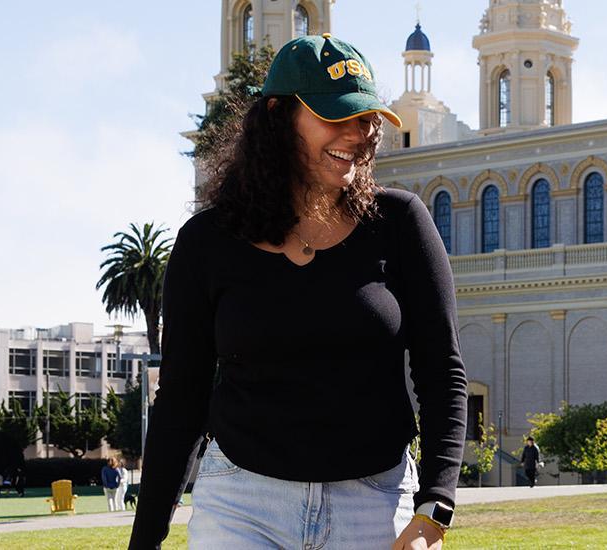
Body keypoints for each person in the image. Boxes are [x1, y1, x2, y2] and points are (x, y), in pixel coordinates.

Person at [128, 33, 468, 550]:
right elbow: (181, 402)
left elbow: (442, 373)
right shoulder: (207, 242)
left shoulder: (401, 222)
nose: (359, 134)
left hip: (374, 505)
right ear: (278, 118)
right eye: (337, 116)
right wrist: (145, 541)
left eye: (367, 118)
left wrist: (433, 511)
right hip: (242, 507)